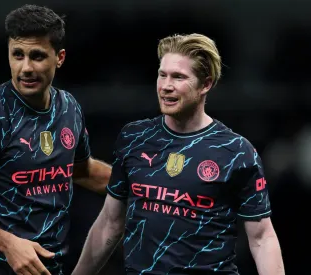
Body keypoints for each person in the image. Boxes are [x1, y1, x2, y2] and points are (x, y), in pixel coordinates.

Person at [72, 33, 285, 275]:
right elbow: (110, 223)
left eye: (178, 77)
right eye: (162, 75)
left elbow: (261, 238)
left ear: (206, 84)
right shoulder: (135, 138)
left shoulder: (236, 151)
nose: (166, 86)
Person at [0, 5, 111, 275]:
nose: (25, 67)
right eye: (18, 55)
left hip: (50, 268)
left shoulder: (69, 108)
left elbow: (83, 171)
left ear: (59, 57)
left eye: (37, 56)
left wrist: (146, 185)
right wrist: (8, 244)